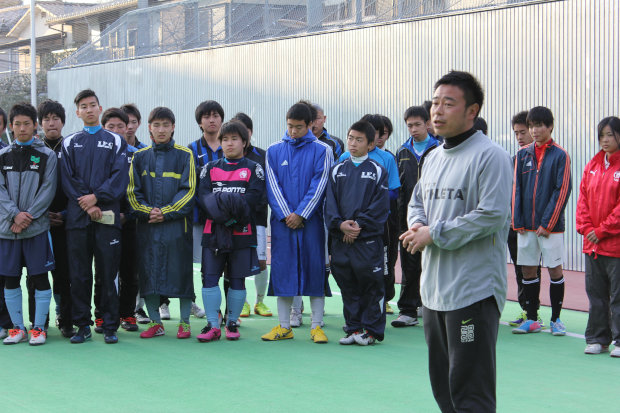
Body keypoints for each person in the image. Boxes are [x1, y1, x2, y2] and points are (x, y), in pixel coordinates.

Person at [401, 71, 512, 412]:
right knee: (444, 388)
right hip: (434, 293)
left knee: (470, 391)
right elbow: (417, 202)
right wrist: (417, 224)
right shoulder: (433, 157)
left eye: (448, 104)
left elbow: (492, 215)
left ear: (472, 111)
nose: (437, 111)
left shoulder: (490, 156)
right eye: (435, 103)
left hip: (472, 295)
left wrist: (434, 233)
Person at [61, 89, 129, 344]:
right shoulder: (69, 142)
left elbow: (119, 177)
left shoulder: (116, 141)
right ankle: (82, 326)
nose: (88, 109)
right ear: (77, 112)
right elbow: (67, 179)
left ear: (100, 109)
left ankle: (110, 326)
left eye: (92, 105)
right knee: (79, 275)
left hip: (107, 219)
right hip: (78, 219)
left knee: (108, 274)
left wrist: (97, 197)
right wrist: (88, 204)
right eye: (83, 106)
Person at [262, 102, 332, 343]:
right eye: (290, 126)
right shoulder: (273, 150)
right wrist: (286, 214)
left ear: (310, 124)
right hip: (282, 224)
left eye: (299, 127)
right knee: (283, 271)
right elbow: (272, 186)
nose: (293, 131)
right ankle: (284, 326)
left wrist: (302, 213)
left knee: (314, 270)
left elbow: (320, 184)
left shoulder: (323, 150)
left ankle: (316, 326)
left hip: (312, 223)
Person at [127, 107, 195, 339]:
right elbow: (132, 193)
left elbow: (189, 191)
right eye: (156, 125)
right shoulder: (139, 157)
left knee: (182, 275)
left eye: (166, 125)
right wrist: (148, 212)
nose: (161, 130)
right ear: (149, 128)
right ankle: (156, 323)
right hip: (148, 227)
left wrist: (166, 212)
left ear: (173, 127)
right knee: (150, 275)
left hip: (177, 228)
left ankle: (185, 322)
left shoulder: (185, 155)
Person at [195, 121, 266, 341]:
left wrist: (228, 210)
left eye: (234, 139)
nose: (229, 143)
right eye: (225, 139)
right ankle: (212, 325)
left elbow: (253, 200)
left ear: (244, 142)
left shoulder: (254, 168)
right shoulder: (209, 168)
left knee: (237, 279)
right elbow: (204, 199)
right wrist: (225, 211)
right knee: (210, 278)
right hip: (213, 232)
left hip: (242, 232)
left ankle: (232, 323)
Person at [325, 120, 389, 345]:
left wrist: (358, 225)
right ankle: (353, 328)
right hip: (341, 240)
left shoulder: (378, 171)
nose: (352, 143)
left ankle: (371, 331)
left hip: (367, 242)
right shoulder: (337, 170)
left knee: (371, 286)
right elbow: (330, 204)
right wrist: (340, 224)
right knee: (347, 285)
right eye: (350, 138)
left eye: (359, 140)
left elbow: (380, 206)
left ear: (370, 144)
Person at [0, 102, 57, 345]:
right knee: (11, 280)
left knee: (40, 278)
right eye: (17, 124)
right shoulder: (3, 156)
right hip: (8, 230)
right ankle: (17, 328)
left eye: (26, 124)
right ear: (10, 127)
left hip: (36, 229)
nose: (22, 128)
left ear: (35, 125)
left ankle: (38, 328)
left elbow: (48, 190)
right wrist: (14, 215)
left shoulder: (47, 155)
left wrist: (26, 217)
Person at [511, 106, 572, 336]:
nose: (534, 130)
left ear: (550, 126)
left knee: (555, 270)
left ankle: (556, 319)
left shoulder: (560, 155)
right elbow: (516, 189)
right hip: (526, 227)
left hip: (550, 228)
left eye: (539, 126)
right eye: (531, 126)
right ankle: (532, 319)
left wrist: (548, 223)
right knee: (528, 271)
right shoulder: (522, 155)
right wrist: (517, 221)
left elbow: (562, 190)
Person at [340, 114, 401, 316]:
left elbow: (392, 192)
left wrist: (365, 214)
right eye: (352, 138)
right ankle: (354, 317)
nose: (354, 142)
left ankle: (382, 303)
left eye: (378, 133)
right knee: (349, 268)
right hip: (348, 225)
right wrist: (345, 222)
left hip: (378, 223)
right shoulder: (343, 159)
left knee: (382, 265)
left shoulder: (386, 159)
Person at [28, 100, 74, 338]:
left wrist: (65, 214)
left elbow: (78, 187)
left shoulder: (72, 149)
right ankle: (39, 321)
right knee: (36, 275)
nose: (51, 123)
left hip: (66, 222)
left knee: (64, 275)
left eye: (55, 118)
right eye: (46, 119)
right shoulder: (33, 151)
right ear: (40, 123)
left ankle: (66, 320)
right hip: (37, 223)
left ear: (63, 122)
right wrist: (41, 214)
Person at [576, 116, 620, 357]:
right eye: (602, 135)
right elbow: (582, 200)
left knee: (617, 296)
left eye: (610, 135)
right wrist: (586, 228)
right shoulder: (592, 165)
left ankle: (619, 341)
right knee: (596, 295)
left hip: (614, 245)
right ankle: (597, 339)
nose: (605, 140)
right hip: (592, 245)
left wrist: (601, 230)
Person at [392, 106, 439, 327]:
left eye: (417, 124)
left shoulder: (439, 149)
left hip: (435, 219)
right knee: (409, 265)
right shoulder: (402, 152)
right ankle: (408, 311)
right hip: (407, 219)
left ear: (428, 124)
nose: (413, 129)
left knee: (433, 265)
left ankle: (433, 308)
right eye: (409, 125)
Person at [232, 112, 272, 317]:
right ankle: (244, 302)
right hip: (235, 220)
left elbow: (268, 187)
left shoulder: (263, 156)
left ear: (250, 132)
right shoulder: (228, 156)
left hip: (257, 218)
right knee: (237, 260)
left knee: (261, 262)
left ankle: (260, 302)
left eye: (244, 130)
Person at [507, 111, 542, 327]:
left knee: (532, 269)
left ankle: (534, 312)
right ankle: (525, 309)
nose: (519, 137)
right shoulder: (515, 159)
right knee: (520, 268)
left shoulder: (544, 158)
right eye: (516, 133)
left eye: (523, 132)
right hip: (514, 225)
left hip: (534, 226)